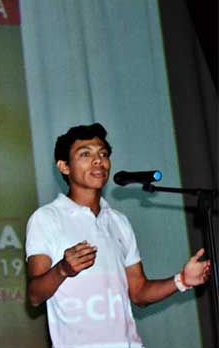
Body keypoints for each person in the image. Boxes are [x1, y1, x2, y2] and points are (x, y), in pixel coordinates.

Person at [25, 122, 211, 348]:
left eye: (103, 154)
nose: (98, 161)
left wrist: (181, 280)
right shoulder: (46, 218)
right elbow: (35, 295)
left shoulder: (118, 222)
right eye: (85, 154)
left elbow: (139, 292)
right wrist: (63, 269)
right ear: (64, 167)